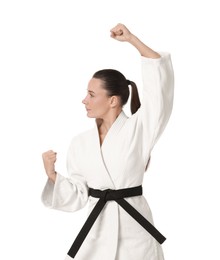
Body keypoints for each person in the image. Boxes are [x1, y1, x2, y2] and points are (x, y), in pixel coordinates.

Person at [41, 23, 174, 260]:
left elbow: (159, 87)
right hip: (97, 235)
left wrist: (132, 39)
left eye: (92, 95)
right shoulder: (80, 143)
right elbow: (79, 196)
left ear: (113, 101)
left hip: (136, 234)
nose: (84, 100)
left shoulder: (140, 128)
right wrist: (53, 176)